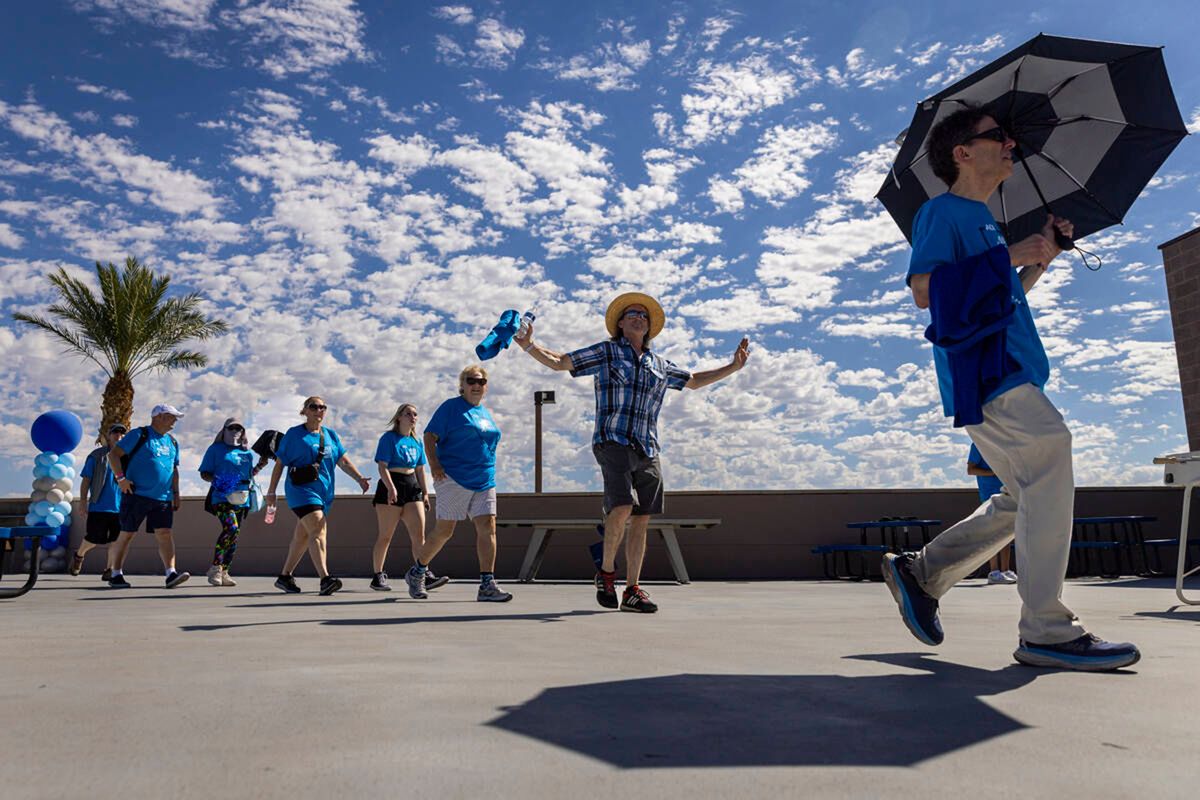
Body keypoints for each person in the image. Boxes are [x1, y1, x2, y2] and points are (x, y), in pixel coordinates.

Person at [884, 105, 1139, 670]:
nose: (1011, 145)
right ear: (962, 153)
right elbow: (925, 290)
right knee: (1052, 449)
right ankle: (1046, 628)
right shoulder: (941, 212)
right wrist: (1009, 254)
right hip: (988, 372)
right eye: (998, 136)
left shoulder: (983, 223)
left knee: (1025, 495)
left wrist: (1039, 256)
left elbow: (1003, 294)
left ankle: (922, 572)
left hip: (1009, 366)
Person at [515, 292, 750, 613]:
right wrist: (529, 345)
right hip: (612, 440)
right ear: (621, 324)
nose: (639, 317)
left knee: (642, 519)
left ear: (649, 326)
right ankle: (607, 572)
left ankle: (632, 590)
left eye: (644, 315)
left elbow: (693, 381)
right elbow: (562, 362)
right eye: (632, 314)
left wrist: (733, 367)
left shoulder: (660, 365)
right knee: (623, 506)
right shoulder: (607, 352)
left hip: (647, 446)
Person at [404, 366, 512, 602]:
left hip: (484, 479)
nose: (476, 385)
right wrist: (434, 465)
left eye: (481, 382)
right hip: (453, 477)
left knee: (488, 527)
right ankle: (418, 571)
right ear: (462, 385)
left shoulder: (484, 413)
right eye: (471, 381)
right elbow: (429, 436)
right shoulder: (451, 408)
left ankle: (487, 584)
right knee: (445, 530)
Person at [266, 396, 371, 596]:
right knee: (318, 529)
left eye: (323, 407)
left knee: (303, 536)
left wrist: (359, 478)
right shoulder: (294, 434)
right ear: (304, 411)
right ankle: (325, 579)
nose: (319, 410)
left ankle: (285, 576)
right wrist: (271, 492)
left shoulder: (330, 435)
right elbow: (280, 463)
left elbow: (343, 461)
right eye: (313, 406)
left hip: (324, 493)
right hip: (301, 491)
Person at [106, 405, 189, 589]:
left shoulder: (173, 442)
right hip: (136, 494)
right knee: (127, 534)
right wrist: (121, 479)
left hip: (163, 498)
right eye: (171, 417)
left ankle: (171, 574)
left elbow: (174, 469)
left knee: (165, 534)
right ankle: (116, 574)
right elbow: (114, 455)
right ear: (158, 417)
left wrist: (176, 493)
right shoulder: (140, 434)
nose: (175, 421)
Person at [369, 404, 446, 592]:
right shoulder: (389, 438)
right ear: (399, 418)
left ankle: (422, 573)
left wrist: (425, 492)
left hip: (412, 486)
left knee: (419, 536)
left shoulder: (417, 441)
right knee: (386, 536)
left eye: (415, 414)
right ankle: (378, 575)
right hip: (391, 484)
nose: (412, 417)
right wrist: (391, 488)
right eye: (408, 414)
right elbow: (382, 466)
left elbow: (420, 469)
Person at [199, 418, 269, 587]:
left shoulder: (247, 453)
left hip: (242, 498)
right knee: (231, 528)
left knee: (234, 536)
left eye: (239, 428)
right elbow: (204, 473)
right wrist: (217, 480)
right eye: (232, 428)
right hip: (221, 497)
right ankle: (215, 568)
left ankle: (225, 571)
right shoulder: (215, 449)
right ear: (224, 430)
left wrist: (260, 466)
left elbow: (249, 475)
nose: (235, 431)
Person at [70, 423, 126, 580]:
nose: (119, 436)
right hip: (98, 506)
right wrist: (82, 502)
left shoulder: (127, 457)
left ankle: (109, 570)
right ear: (108, 435)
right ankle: (79, 555)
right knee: (93, 539)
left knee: (116, 541)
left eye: (122, 433)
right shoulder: (96, 456)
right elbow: (86, 480)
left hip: (120, 508)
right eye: (115, 432)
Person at [967, 443, 1016, 585]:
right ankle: (993, 572)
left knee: (1006, 532)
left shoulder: (1000, 441)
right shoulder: (978, 444)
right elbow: (971, 469)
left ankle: (1005, 570)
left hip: (1006, 492)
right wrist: (994, 472)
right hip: (988, 494)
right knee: (991, 533)